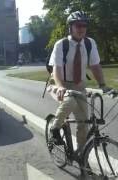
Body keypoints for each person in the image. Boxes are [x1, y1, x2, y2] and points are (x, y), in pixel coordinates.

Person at [48, 11, 111, 154]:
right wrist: (60, 87)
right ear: (70, 27)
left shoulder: (89, 43)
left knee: (83, 123)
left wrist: (103, 85)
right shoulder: (61, 44)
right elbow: (56, 69)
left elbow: (95, 66)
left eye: (84, 25)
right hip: (61, 83)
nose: (81, 28)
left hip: (79, 84)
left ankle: (82, 156)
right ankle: (54, 129)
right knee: (70, 101)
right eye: (78, 25)